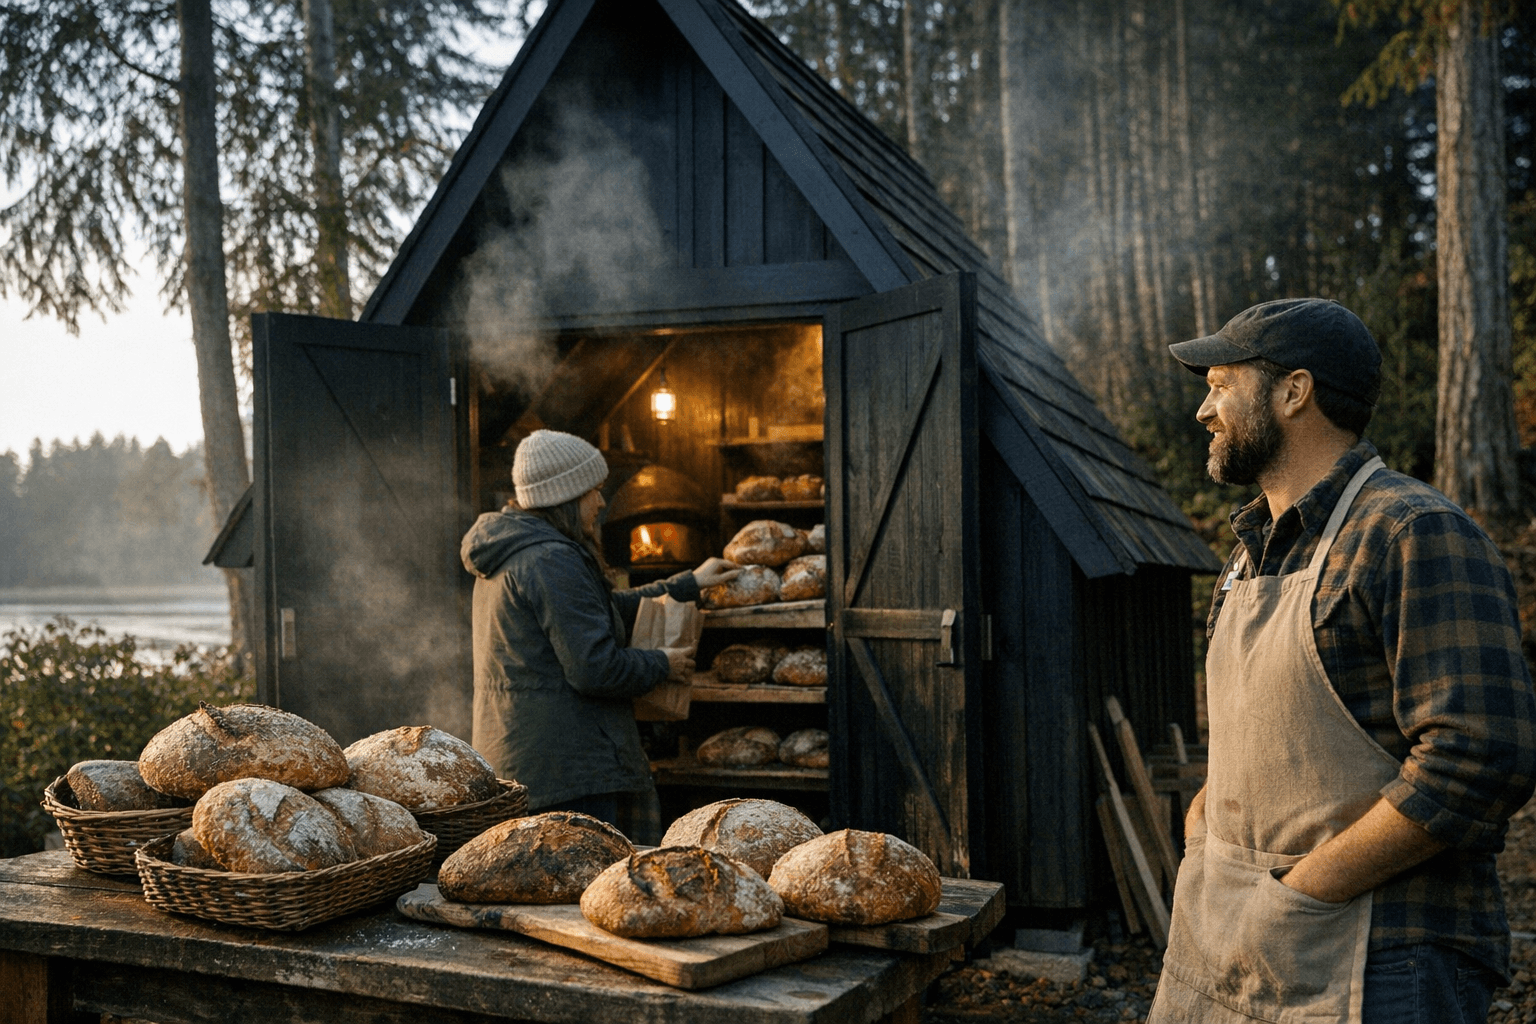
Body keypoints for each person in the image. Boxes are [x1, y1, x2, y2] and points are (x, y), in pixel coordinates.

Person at [1149, 298, 1536, 1024]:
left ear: (1294, 392)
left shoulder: (1412, 533)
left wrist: (1305, 890)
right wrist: (1206, 832)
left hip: (1384, 960)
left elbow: (1481, 759)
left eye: (1220, 383)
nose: (1204, 410)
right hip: (1235, 936)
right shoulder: (1245, 557)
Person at [459, 429, 739, 837]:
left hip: (531, 762)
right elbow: (595, 668)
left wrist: (686, 584)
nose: (602, 502)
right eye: (594, 491)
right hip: (569, 771)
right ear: (566, 497)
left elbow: (597, 610)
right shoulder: (553, 559)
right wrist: (663, 663)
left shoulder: (516, 550)